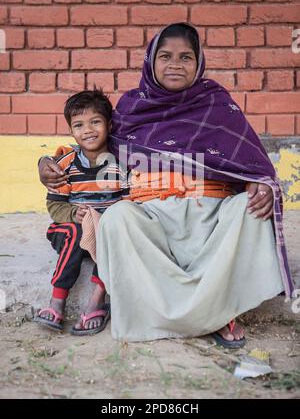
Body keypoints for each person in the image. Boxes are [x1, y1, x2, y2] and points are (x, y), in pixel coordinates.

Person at [39, 23, 293, 348]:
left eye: (186, 56)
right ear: (150, 61)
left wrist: (260, 185)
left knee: (253, 210)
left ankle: (212, 311)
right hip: (153, 218)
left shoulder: (216, 104)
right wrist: (45, 164)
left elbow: (248, 160)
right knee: (116, 220)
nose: (176, 64)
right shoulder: (132, 108)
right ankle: (213, 315)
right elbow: (92, 146)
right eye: (166, 56)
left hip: (210, 214)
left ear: (199, 62)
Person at [36, 88, 128, 335]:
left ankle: (96, 302)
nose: (87, 130)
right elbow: (55, 205)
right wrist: (72, 214)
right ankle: (57, 301)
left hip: (104, 233)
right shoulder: (64, 164)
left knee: (116, 233)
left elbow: (131, 201)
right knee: (75, 231)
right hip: (70, 231)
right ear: (71, 131)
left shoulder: (122, 164)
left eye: (95, 122)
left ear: (109, 125)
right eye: (78, 125)